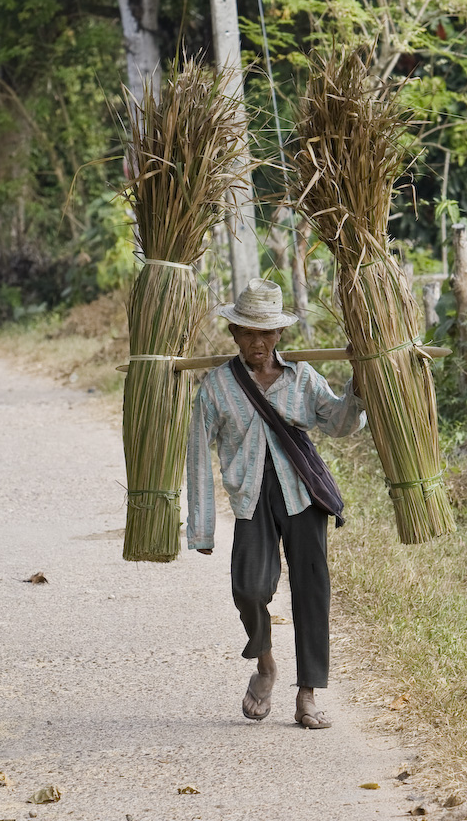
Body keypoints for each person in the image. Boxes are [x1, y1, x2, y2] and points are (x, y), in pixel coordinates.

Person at [186, 278, 366, 728]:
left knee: (311, 592)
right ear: (234, 334)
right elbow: (195, 455)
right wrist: (202, 526)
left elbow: (340, 423)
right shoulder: (215, 388)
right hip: (252, 500)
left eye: (266, 332)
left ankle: (307, 695)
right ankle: (266, 666)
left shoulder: (302, 378)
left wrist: (359, 386)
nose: (258, 342)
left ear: (280, 335)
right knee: (248, 589)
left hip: (301, 492)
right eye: (248, 332)